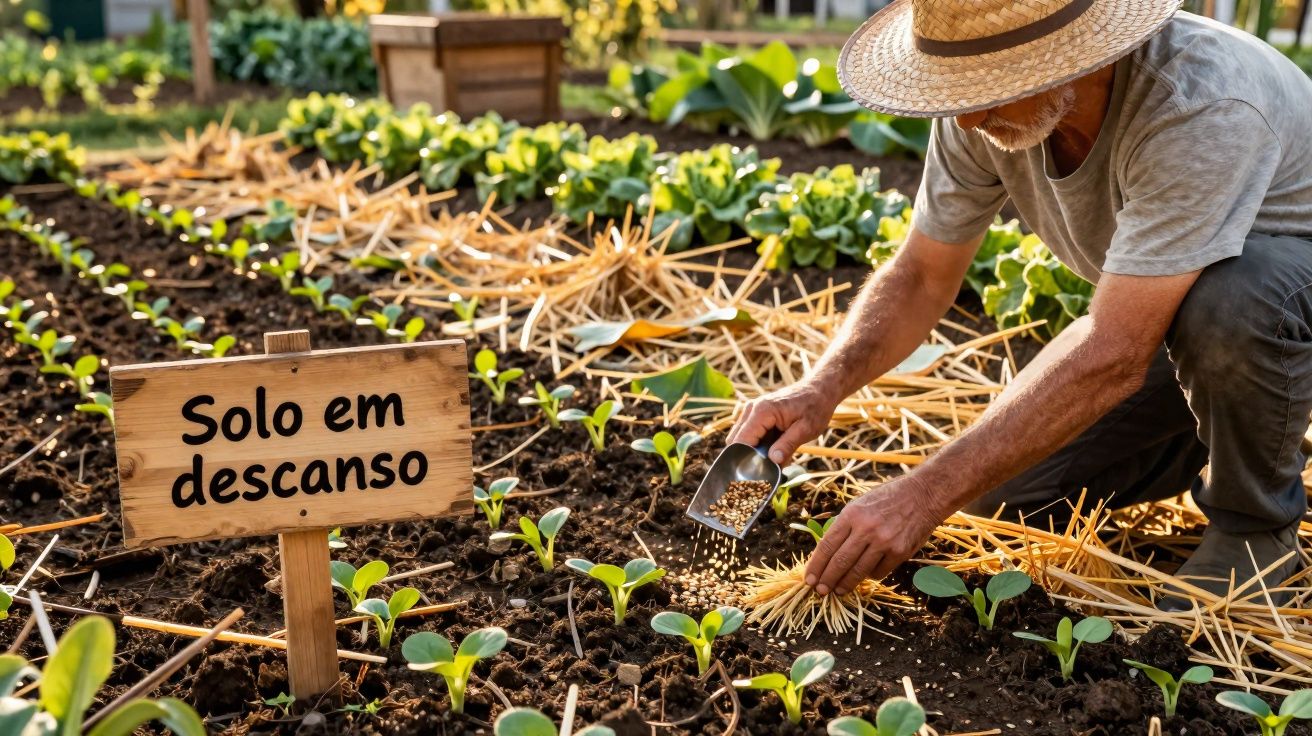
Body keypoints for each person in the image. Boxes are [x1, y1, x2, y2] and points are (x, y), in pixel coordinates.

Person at [728, 0, 1312, 610]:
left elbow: (1115, 352)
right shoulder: (973, 109)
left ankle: (1254, 526)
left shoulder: (1198, 104)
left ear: (1077, 56)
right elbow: (923, 276)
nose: (973, 114)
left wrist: (921, 496)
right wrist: (820, 388)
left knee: (1234, 297)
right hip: (1183, 324)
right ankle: (1252, 427)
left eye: (996, 87)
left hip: (1277, 302)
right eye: (961, 90)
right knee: (1000, 494)